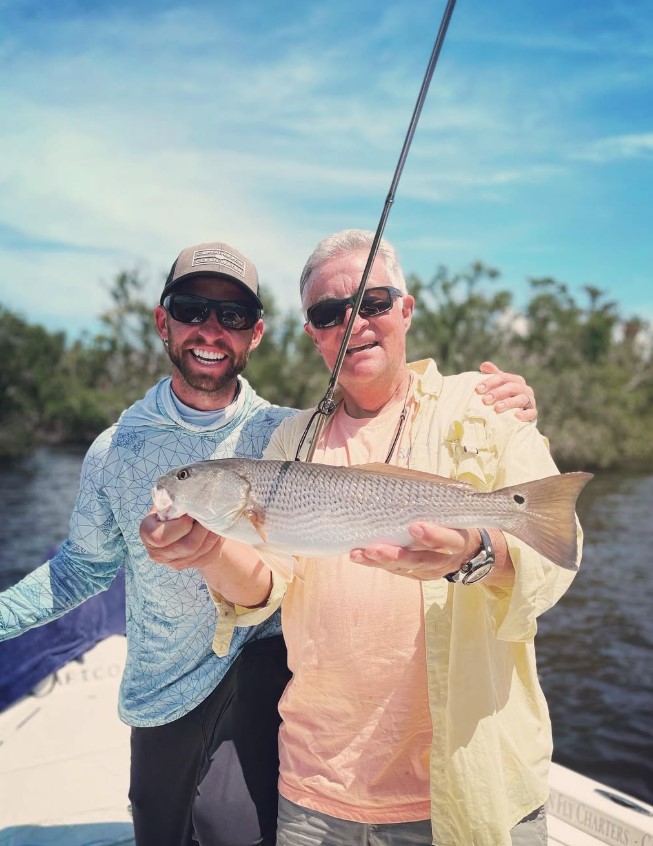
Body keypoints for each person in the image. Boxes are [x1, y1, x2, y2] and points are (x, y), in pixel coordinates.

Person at [0, 238, 535, 846]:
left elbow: (380, 422)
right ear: (162, 320)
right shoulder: (114, 448)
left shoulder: (281, 432)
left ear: (255, 334)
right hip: (161, 686)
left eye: (231, 316)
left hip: (260, 674)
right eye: (191, 308)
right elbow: (80, 570)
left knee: (239, 833)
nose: (210, 329)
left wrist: (503, 413)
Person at [143, 230, 581, 846]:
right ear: (312, 333)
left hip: (467, 790)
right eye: (328, 313)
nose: (354, 323)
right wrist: (212, 550)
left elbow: (559, 554)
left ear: (406, 309)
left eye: (373, 302)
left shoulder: (484, 406)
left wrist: (477, 552)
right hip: (315, 789)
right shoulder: (286, 445)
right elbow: (265, 586)